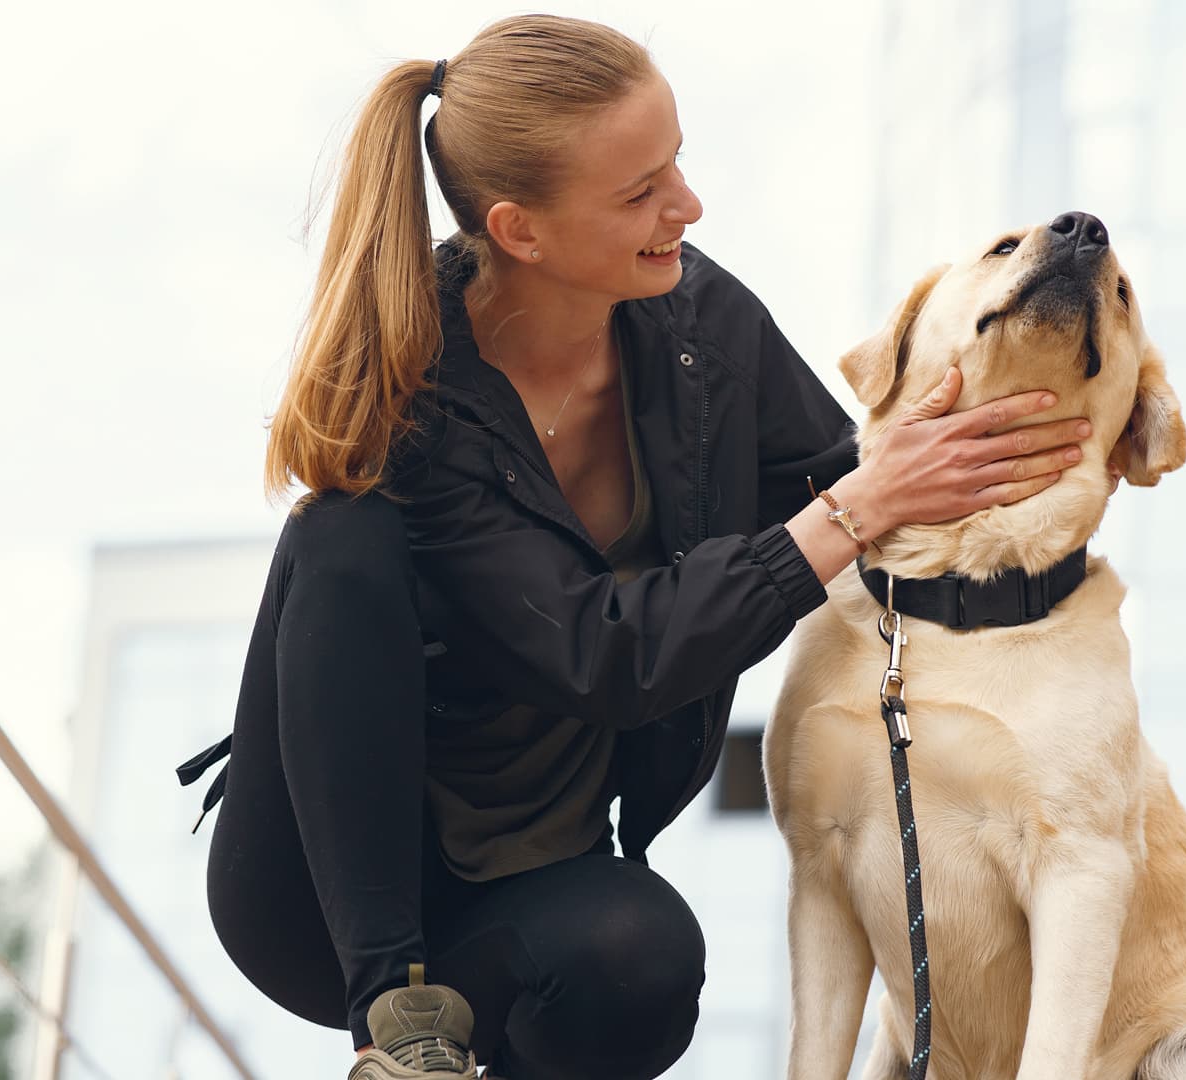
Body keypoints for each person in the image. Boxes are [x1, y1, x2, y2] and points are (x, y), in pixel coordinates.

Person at [189, 15, 1095, 1080]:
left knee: (647, 957)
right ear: (520, 231)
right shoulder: (417, 407)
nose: (688, 206)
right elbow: (609, 653)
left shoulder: (700, 324)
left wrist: (989, 441)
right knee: (342, 530)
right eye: (640, 192)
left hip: (531, 877)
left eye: (675, 164)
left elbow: (847, 482)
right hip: (330, 905)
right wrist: (861, 504)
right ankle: (397, 1035)